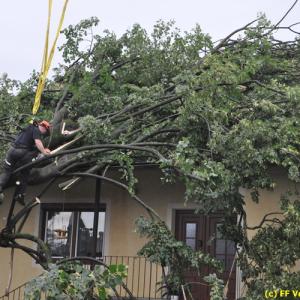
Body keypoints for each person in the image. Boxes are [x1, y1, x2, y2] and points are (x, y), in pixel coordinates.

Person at [0, 120, 51, 205]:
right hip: (21, 153)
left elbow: (32, 145)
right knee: (25, 172)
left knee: (7, 171)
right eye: (45, 131)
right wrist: (44, 152)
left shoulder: (27, 128)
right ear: (43, 127)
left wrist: (43, 149)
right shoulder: (36, 129)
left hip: (11, 151)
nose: (43, 133)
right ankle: (20, 195)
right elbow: (38, 142)